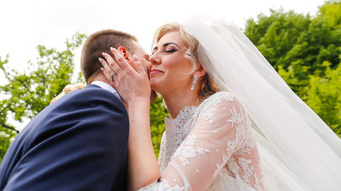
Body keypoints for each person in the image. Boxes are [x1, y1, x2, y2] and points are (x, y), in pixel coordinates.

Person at [100, 16, 341, 190]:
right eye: (154, 50)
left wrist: (138, 99)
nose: (153, 58)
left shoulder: (223, 106)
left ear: (199, 66)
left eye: (169, 49)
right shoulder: (168, 136)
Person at [0, 29, 151, 191]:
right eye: (147, 58)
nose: (153, 64)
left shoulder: (79, 107)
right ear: (123, 55)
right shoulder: (100, 107)